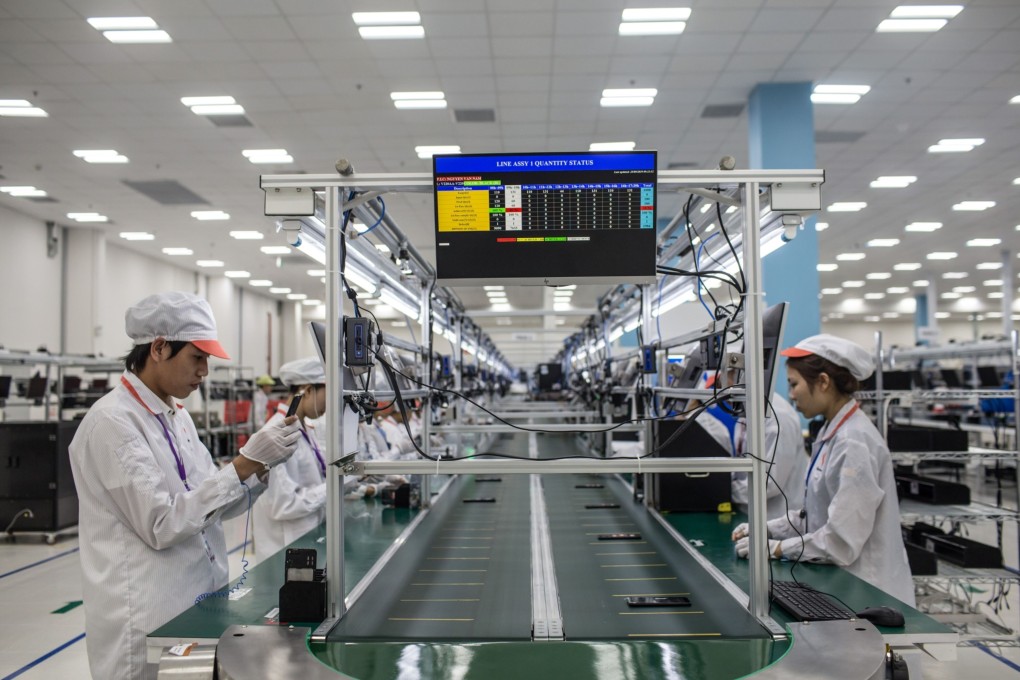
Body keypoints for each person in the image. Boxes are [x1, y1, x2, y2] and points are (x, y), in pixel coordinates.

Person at [69, 291, 301, 680]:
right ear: (159, 348)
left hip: (195, 609)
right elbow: (162, 524)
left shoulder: (177, 416)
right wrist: (243, 463)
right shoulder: (113, 423)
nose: (204, 371)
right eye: (197, 357)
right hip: (145, 621)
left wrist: (261, 467)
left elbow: (212, 502)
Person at [732, 334, 915, 606]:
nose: (791, 394)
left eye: (794, 384)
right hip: (843, 586)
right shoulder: (832, 431)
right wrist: (767, 529)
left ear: (824, 382)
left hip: (871, 595)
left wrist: (777, 548)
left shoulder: (855, 442)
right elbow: (814, 514)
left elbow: (840, 541)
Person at [252, 357, 337, 561]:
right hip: (283, 553)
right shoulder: (278, 434)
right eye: (327, 394)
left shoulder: (303, 428)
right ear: (307, 390)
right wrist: (333, 488)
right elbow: (284, 505)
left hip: (307, 542)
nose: (329, 404)